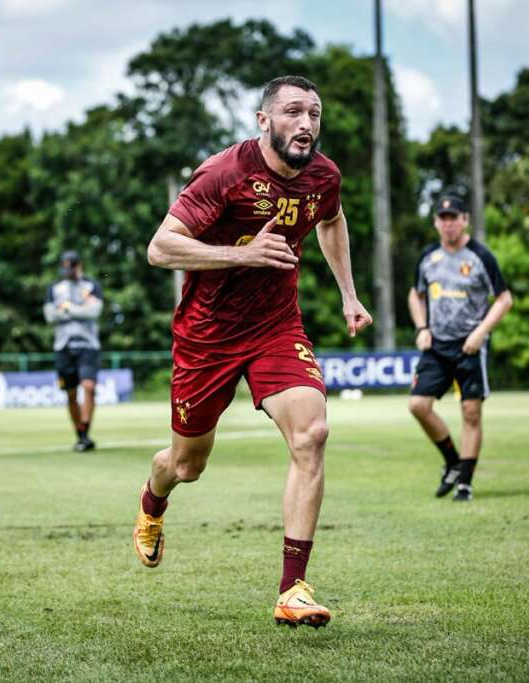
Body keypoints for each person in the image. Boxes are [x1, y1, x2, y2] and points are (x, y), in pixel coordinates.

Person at [132, 75, 372, 628]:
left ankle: (294, 589)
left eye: (314, 113)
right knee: (187, 465)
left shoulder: (323, 176)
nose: (306, 124)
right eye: (293, 112)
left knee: (312, 434)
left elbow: (331, 222)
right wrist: (241, 255)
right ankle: (153, 500)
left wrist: (349, 295)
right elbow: (160, 248)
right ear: (264, 121)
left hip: (275, 328)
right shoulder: (225, 173)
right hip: (207, 337)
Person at [407, 194, 513, 502]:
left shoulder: (480, 256)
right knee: (418, 406)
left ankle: (465, 483)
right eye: (443, 218)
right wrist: (422, 327)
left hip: (470, 346)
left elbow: (504, 299)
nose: (448, 223)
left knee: (470, 411)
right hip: (436, 345)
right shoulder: (428, 257)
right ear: (436, 223)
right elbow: (416, 295)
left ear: (465, 219)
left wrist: (481, 332)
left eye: (454, 217)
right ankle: (453, 462)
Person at [43, 250, 103, 452]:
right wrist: (80, 311)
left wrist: (68, 309)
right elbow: (50, 316)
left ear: (78, 266)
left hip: (88, 345)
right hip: (63, 347)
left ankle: (85, 432)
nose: (67, 272)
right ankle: (80, 434)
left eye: (70, 268)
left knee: (89, 387)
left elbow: (94, 312)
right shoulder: (55, 287)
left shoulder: (91, 285)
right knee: (70, 393)